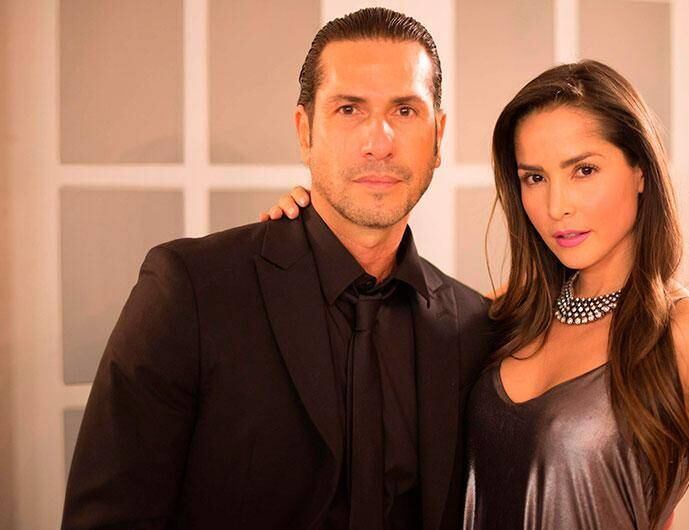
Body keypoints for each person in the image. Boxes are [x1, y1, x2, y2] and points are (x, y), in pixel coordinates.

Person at [264, 61, 689, 529]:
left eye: (584, 170)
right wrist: (319, 232)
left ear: (641, 170)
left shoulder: (687, 336)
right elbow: (373, 337)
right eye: (535, 178)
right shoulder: (509, 313)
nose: (556, 206)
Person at [63, 8, 495, 530]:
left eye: (405, 110)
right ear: (304, 131)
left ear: (438, 136)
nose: (378, 142)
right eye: (349, 109)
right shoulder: (190, 292)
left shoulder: (476, 328)